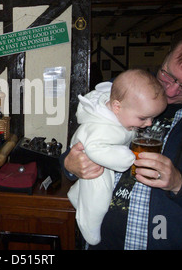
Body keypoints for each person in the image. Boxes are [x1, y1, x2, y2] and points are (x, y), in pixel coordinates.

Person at [61, 18, 182, 249]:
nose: (171, 91)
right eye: (168, 74)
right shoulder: (123, 90)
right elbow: (77, 147)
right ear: (168, 52)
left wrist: (179, 183)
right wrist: (69, 165)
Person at [67, 69, 166, 245]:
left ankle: (76, 195)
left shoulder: (122, 110)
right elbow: (95, 148)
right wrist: (126, 158)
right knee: (99, 198)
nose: (149, 123)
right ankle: (88, 226)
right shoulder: (102, 127)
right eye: (143, 118)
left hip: (99, 156)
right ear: (117, 107)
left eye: (152, 118)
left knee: (90, 190)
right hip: (92, 161)